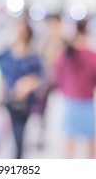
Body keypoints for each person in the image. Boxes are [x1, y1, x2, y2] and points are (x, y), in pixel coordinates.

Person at [55, 20, 96, 159]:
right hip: (86, 101)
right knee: (91, 142)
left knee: (68, 143)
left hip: (70, 101)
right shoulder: (93, 55)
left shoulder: (66, 54)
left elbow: (57, 76)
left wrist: (67, 88)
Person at [1, 20, 44, 159]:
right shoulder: (9, 54)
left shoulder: (33, 56)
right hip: (11, 99)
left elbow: (40, 78)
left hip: (27, 101)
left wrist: (27, 85)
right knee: (15, 132)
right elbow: (4, 76)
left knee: (20, 132)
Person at [35, 14, 66, 149]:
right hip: (46, 83)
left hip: (61, 84)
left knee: (58, 112)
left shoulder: (65, 43)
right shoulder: (43, 42)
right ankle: (42, 136)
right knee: (43, 112)